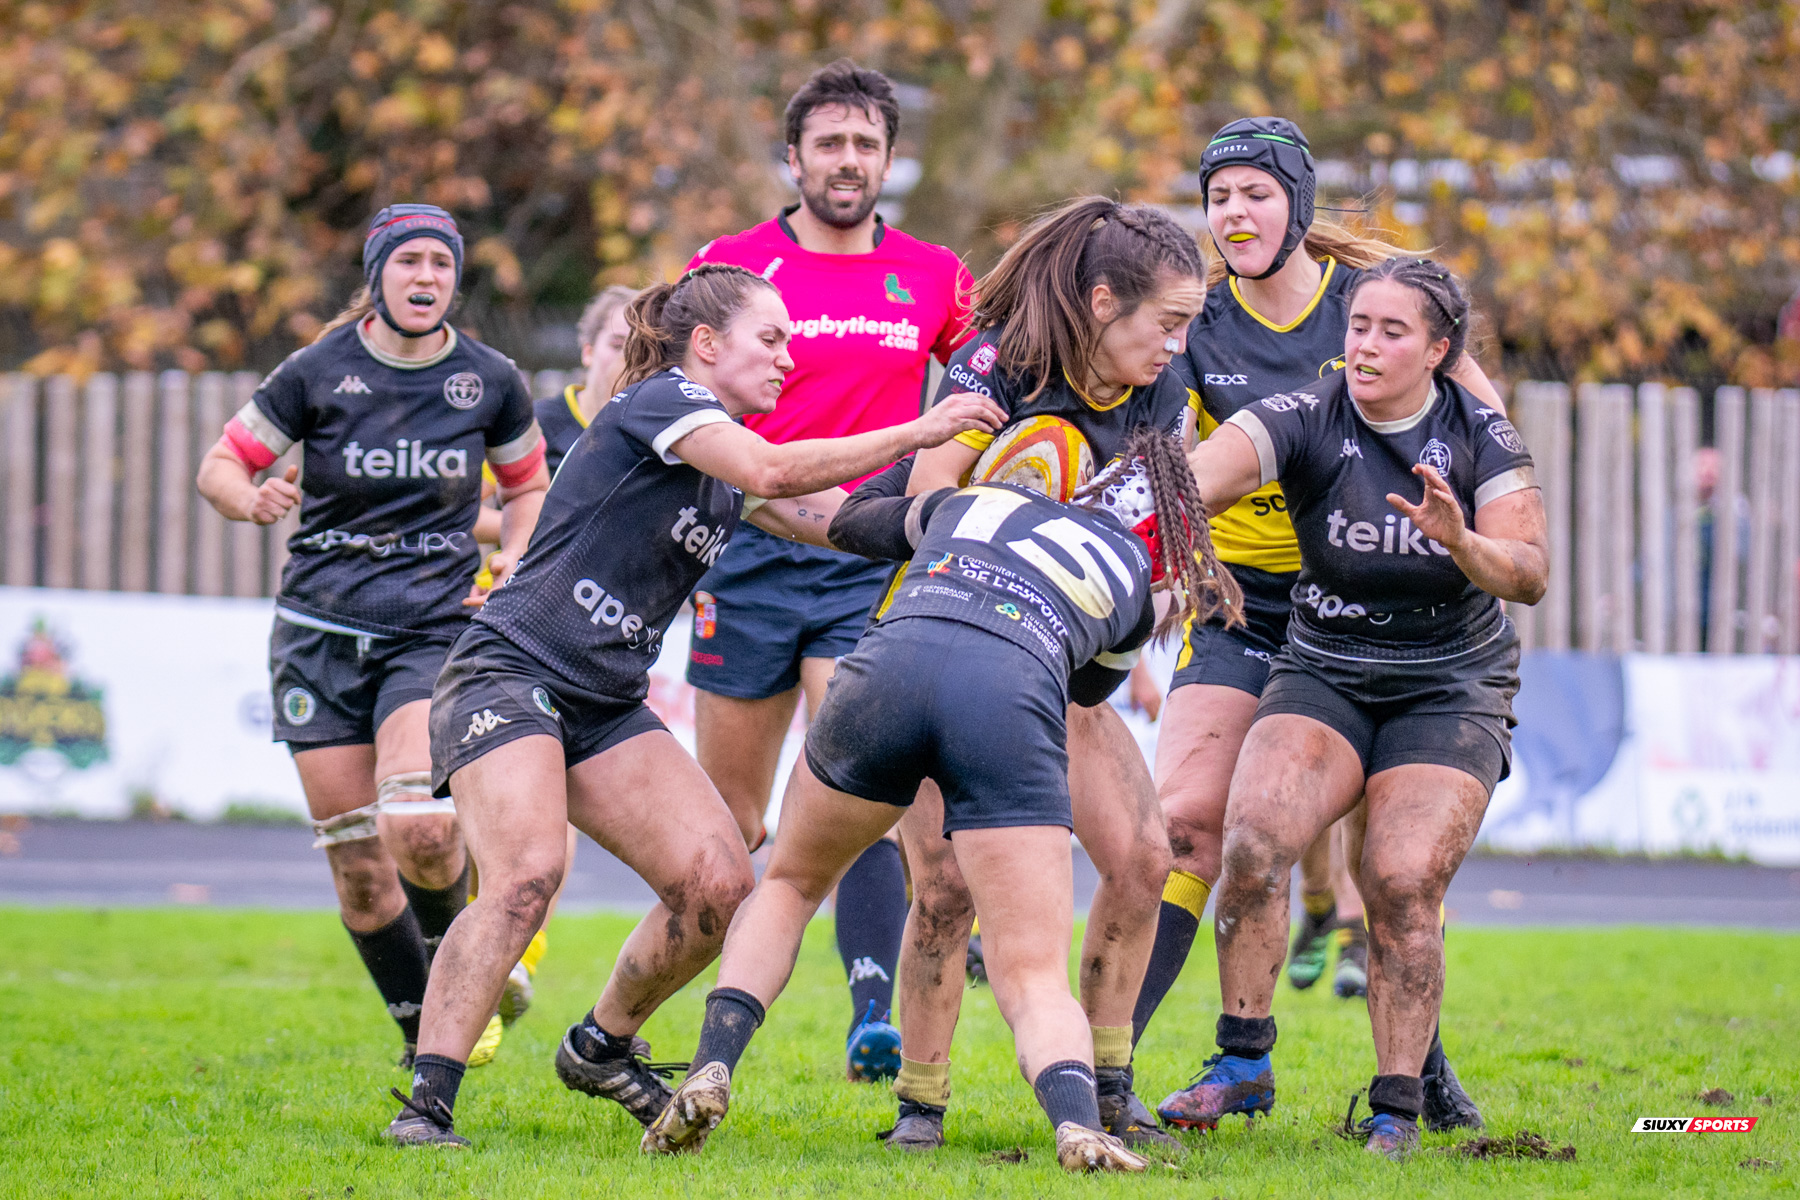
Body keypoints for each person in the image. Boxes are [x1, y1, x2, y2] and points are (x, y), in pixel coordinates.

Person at [381, 264, 1004, 1147]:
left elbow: (839, 521)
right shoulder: (660, 400)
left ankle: (601, 1045)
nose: (792, 357)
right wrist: (931, 424)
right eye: (773, 339)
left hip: (603, 701)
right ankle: (427, 1104)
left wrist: (964, 523)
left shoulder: (726, 458)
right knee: (525, 873)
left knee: (721, 882)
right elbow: (775, 467)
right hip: (509, 667)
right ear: (706, 345)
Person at [640, 427, 1238, 1173]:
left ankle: (713, 1060)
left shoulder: (965, 501)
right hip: (1003, 698)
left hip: (888, 666)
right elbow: (1083, 691)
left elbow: (859, 519)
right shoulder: (1128, 568)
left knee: (791, 883)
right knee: (1028, 969)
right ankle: (1078, 1123)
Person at [1132, 117, 1496, 1130]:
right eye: (1218, 197)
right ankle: (1108, 1070)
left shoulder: (1374, 307)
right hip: (1248, 606)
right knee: (1188, 827)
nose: (1235, 213)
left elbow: (1487, 430)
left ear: (1297, 202)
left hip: (1381, 614)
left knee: (1396, 870)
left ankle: (1419, 1072)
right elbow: (1166, 465)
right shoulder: (1194, 323)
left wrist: (1483, 530)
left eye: (1255, 193)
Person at [1159, 258, 1547, 1157]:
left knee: (1404, 882)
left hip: (1449, 683)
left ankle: (1396, 1108)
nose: (1365, 345)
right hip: (1325, 666)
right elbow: (1200, 475)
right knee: (1253, 843)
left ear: (1439, 351)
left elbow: (1528, 574)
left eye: (1392, 331)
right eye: (1358, 325)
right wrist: (1137, 493)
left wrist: (1464, 542)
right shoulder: (1306, 414)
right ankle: (1243, 1063)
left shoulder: (1481, 433)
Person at [884, 195, 1205, 1152]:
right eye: (1168, 323)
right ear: (1104, 302)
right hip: (953, 645)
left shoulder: (1159, 394)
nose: (1178, 347)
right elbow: (927, 498)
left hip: (1062, 667)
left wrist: (1156, 578)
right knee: (944, 886)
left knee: (1147, 859)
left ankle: (1110, 1084)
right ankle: (919, 1105)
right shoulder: (999, 363)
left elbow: (1166, 533)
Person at [195, 204, 550, 1071]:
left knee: (422, 831)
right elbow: (220, 467)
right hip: (317, 633)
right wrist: (250, 499)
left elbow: (530, 485)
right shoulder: (317, 371)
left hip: (429, 631)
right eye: (409, 263)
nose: (427, 278)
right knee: (359, 865)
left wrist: (515, 565)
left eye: (441, 264)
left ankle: (472, 966)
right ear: (378, 273)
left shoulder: (489, 378)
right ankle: (422, 1029)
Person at [682, 61, 976, 1083]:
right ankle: (675, 1033)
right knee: (729, 835)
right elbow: (676, 396)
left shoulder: (936, 274)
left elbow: (988, 398)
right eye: (830, 143)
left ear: (890, 161)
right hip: (747, 553)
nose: (848, 162)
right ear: (794, 157)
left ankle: (872, 1021)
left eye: (866, 145)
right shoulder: (730, 261)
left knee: (870, 785)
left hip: (869, 563)